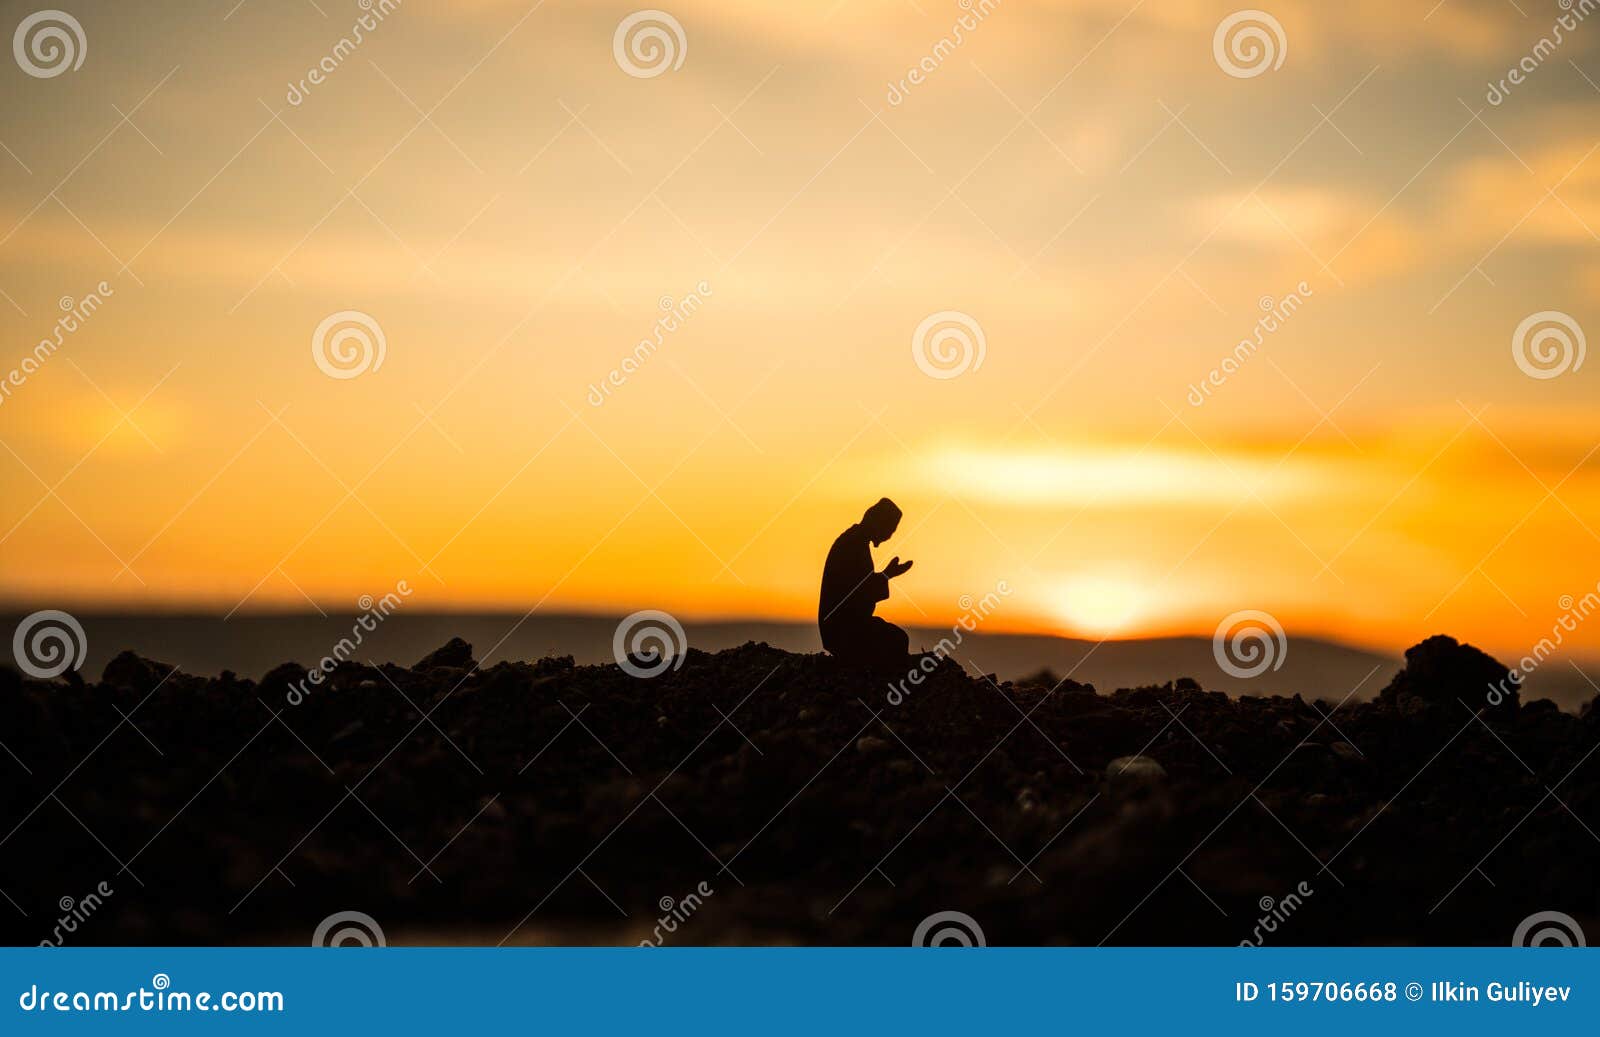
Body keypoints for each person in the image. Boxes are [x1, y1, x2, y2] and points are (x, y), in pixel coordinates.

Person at [818, 498, 913, 668]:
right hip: (843, 630)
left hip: (847, 626)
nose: (888, 536)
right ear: (878, 523)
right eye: (889, 530)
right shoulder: (852, 545)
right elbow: (856, 592)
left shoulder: (855, 542)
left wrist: (886, 575)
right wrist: (886, 575)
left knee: (897, 639)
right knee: (897, 640)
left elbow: (860, 585)